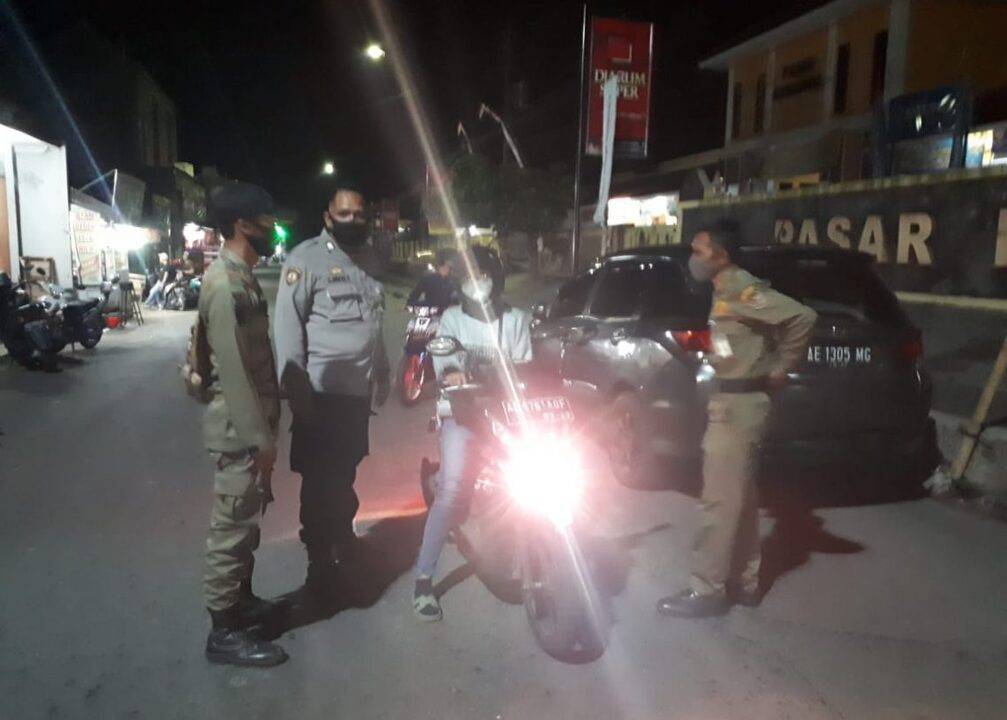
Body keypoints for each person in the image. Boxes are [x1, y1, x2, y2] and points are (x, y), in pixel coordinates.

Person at [657, 220, 817, 618]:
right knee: (740, 500)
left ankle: (706, 588)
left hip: (739, 407)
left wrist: (781, 368)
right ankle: (745, 582)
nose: (693, 259)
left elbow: (803, 318)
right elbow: (735, 340)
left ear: (722, 255)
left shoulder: (744, 289)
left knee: (718, 502)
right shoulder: (723, 291)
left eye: (699, 251)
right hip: (731, 401)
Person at [274, 185, 391, 601]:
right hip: (320, 395)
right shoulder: (305, 260)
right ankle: (319, 561)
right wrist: (297, 391)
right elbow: (287, 327)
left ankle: (343, 537)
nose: (353, 221)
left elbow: (373, 323)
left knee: (345, 470)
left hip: (356, 395)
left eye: (359, 214)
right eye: (344, 214)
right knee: (319, 481)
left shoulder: (369, 260)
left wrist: (382, 370)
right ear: (328, 217)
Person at [412, 245, 532, 621]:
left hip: (506, 419)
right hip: (461, 415)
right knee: (451, 494)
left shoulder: (516, 320)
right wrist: (455, 374)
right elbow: (446, 365)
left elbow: (527, 370)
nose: (475, 282)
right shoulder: (451, 320)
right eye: (468, 276)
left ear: (496, 277)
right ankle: (423, 581)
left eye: (482, 274)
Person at [199, 183, 287, 666]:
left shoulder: (243, 276)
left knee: (246, 521)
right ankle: (224, 632)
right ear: (242, 225)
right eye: (266, 220)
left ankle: (241, 601)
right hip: (239, 432)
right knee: (230, 528)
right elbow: (233, 374)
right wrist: (260, 440)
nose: (273, 227)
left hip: (250, 428)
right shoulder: (226, 285)